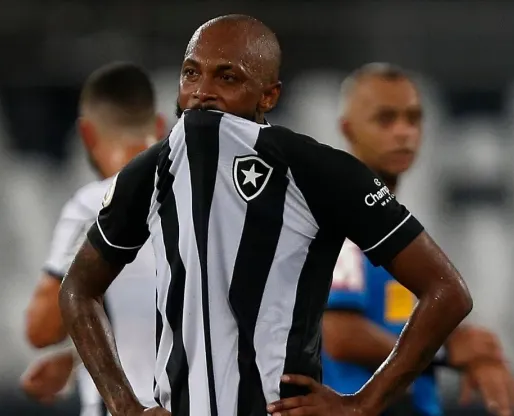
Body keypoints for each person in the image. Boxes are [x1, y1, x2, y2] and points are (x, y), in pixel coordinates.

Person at [59, 14, 473, 416]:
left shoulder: (317, 170)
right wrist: (124, 407)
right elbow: (77, 290)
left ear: (268, 96)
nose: (203, 91)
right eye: (191, 73)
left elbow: (447, 292)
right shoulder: (149, 173)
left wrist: (362, 403)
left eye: (227, 77)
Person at [321, 63, 514, 416]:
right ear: (348, 129)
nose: (403, 132)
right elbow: (339, 332)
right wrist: (443, 351)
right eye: (385, 119)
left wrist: (459, 342)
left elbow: (397, 321)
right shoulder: (342, 224)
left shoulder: (393, 226)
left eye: (413, 119)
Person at [20, 62, 166, 416]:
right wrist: (76, 361)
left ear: (86, 133)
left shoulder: (93, 205)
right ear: (160, 127)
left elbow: (42, 330)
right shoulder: (204, 202)